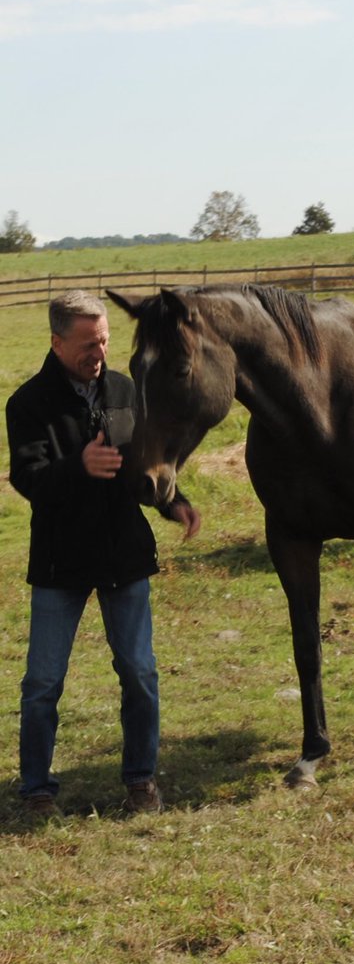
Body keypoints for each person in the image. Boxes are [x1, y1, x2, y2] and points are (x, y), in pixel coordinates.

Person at [6, 289, 200, 819]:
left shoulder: (122, 388)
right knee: (43, 683)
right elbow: (27, 477)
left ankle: (141, 782)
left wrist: (172, 502)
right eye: (89, 344)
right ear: (56, 341)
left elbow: (140, 464)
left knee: (140, 672)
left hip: (123, 556)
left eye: (105, 341)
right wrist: (78, 466)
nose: (100, 353)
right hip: (60, 562)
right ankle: (37, 792)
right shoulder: (27, 403)